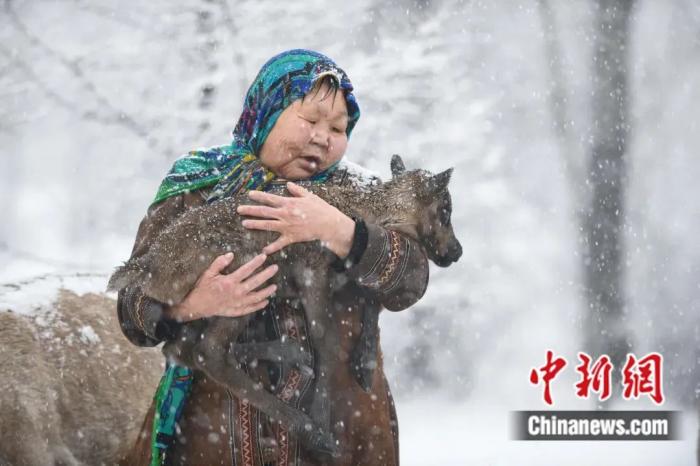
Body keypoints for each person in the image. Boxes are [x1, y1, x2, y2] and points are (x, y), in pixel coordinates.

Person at [117, 49, 429, 466]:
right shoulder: (198, 186)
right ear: (266, 113)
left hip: (346, 437)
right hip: (215, 438)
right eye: (311, 120)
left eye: (338, 127)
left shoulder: (362, 192)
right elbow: (132, 309)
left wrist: (341, 231)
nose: (323, 137)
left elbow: (410, 281)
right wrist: (188, 306)